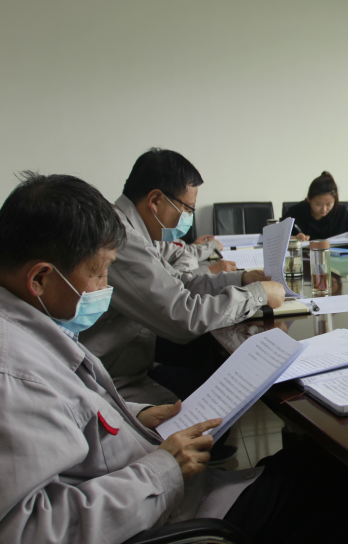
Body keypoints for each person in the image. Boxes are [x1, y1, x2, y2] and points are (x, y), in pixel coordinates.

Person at [0, 172, 348, 544]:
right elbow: (25, 536)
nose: (106, 286)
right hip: (166, 525)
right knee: (340, 485)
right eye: (100, 273)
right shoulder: (14, 373)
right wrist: (164, 469)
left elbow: (71, 419)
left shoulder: (28, 329)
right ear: (40, 279)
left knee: (324, 466)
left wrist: (132, 415)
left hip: (155, 488)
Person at [80, 148, 286, 407]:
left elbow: (178, 282)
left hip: (128, 364)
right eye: (187, 208)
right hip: (108, 381)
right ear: (155, 200)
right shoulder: (121, 239)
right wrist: (256, 295)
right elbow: (182, 316)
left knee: (215, 373)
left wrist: (239, 279)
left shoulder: (135, 230)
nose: (187, 217)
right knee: (224, 394)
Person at [287, 171, 348, 241]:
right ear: (309, 198)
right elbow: (280, 238)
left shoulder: (341, 212)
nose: (324, 209)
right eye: (319, 204)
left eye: (329, 204)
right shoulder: (295, 213)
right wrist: (295, 238)